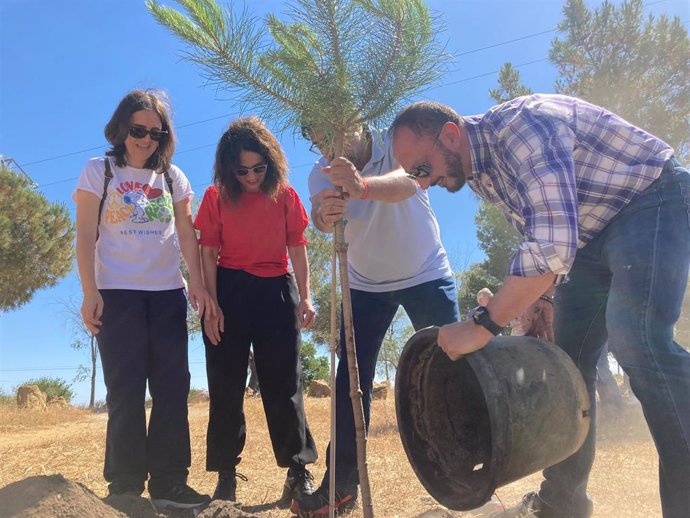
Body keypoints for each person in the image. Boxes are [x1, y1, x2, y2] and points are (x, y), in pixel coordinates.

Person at [390, 95, 690, 518]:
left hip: (650, 197)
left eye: (421, 168)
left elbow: (551, 244)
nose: (421, 183)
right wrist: (542, 298)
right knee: (568, 366)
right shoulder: (481, 171)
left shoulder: (523, 128)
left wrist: (482, 325)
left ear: (451, 135)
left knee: (638, 341)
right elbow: (543, 227)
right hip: (589, 240)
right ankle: (562, 505)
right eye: (413, 175)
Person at [292, 124, 460, 516]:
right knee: (350, 379)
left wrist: (361, 185)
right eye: (320, 139)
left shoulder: (396, 139)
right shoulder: (320, 170)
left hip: (426, 274)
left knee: (452, 367)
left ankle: (466, 469)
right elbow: (319, 214)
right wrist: (323, 215)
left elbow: (410, 182)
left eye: (335, 131)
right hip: (364, 284)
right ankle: (341, 485)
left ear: (358, 119)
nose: (330, 145)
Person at [74, 89, 215, 510]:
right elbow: (84, 235)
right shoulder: (98, 171)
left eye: (156, 132)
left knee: (173, 389)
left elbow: (187, 236)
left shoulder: (174, 178)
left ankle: (170, 482)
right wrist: (89, 292)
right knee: (126, 391)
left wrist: (199, 284)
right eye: (138, 130)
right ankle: (125, 486)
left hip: (167, 295)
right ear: (122, 129)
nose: (146, 139)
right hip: (117, 295)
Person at [194, 116, 318, 505]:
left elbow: (297, 247)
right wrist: (211, 303)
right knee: (226, 383)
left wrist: (307, 296)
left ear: (272, 162)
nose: (250, 176)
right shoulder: (216, 197)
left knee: (284, 384)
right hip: (229, 289)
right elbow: (208, 251)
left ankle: (298, 472)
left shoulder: (286, 195)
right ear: (228, 167)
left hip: (276, 291)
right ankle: (226, 477)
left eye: (258, 168)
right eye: (241, 169)